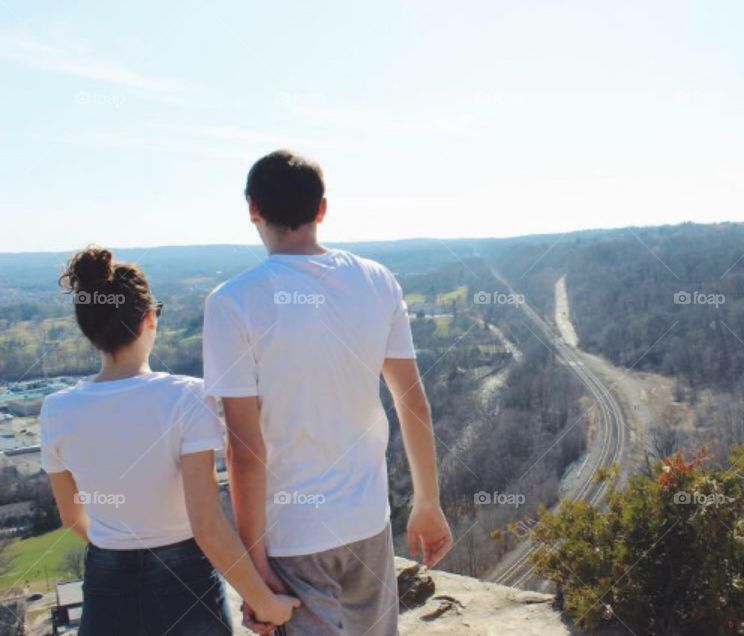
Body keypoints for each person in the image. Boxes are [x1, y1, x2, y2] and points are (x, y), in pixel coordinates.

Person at [203, 149, 453, 635]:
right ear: (321, 209)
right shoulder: (377, 280)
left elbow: (245, 450)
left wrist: (255, 568)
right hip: (368, 523)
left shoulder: (232, 303)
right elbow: (412, 402)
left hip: (292, 537)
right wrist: (427, 503)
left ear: (253, 208)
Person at [41, 247, 300, 635]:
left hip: (106, 585)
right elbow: (207, 525)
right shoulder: (187, 397)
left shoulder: (56, 409)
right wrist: (265, 602)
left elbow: (71, 515)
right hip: (186, 582)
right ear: (149, 319)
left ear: (89, 329)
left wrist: (120, 546)